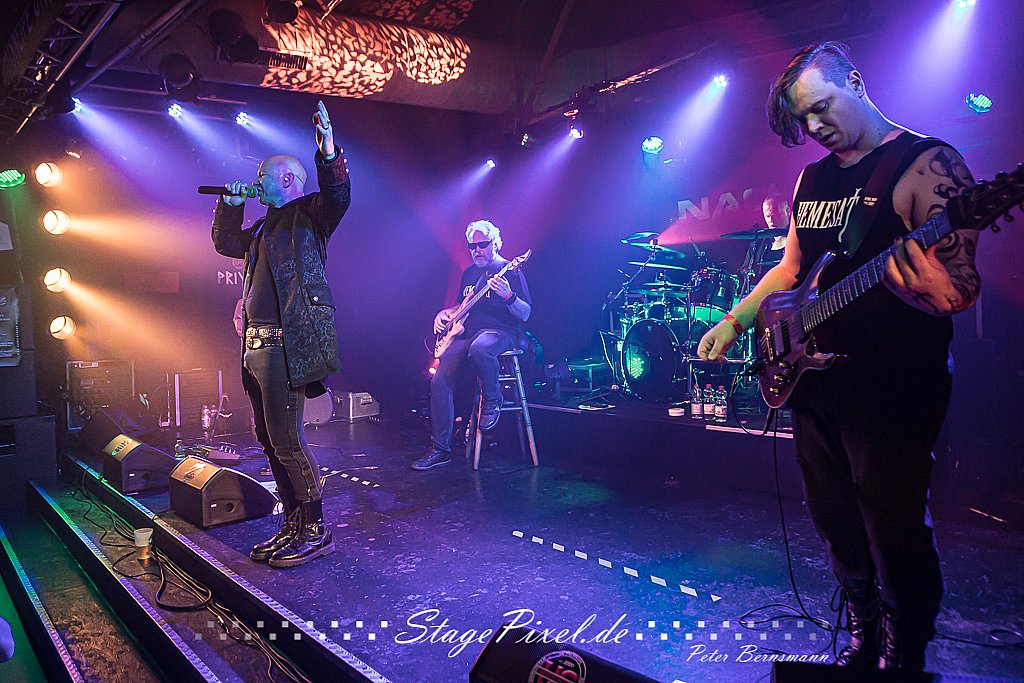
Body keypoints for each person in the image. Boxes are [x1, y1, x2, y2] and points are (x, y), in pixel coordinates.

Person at [698, 42, 980, 671]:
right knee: (833, 516)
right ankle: (863, 634)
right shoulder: (814, 178)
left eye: (821, 107)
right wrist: (734, 321)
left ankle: (904, 652)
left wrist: (929, 287)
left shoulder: (926, 164)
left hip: (894, 384)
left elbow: (960, 287)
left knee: (892, 520)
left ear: (854, 81)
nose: (815, 126)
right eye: (804, 119)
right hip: (817, 378)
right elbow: (792, 270)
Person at [211, 100, 351, 568]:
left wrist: (328, 152)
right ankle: (292, 523)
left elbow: (338, 194)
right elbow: (225, 243)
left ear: (287, 179)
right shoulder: (262, 228)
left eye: (263, 176)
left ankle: (315, 529)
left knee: (288, 441)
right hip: (254, 348)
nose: (257, 181)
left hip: (286, 347)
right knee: (269, 440)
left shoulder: (309, 216)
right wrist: (229, 207)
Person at [413, 220, 532, 470]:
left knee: (480, 348)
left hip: (500, 332)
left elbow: (525, 313)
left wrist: (508, 296)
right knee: (439, 381)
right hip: (466, 333)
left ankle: (493, 399)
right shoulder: (469, 273)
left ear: (495, 243)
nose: (477, 250)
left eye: (483, 245)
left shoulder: (509, 270)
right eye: (472, 246)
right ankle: (440, 449)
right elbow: (461, 305)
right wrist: (444, 314)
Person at [760, 191, 790, 266]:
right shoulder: (759, 243)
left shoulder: (796, 239)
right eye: (767, 216)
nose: (771, 220)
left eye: (776, 215)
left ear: (787, 211)